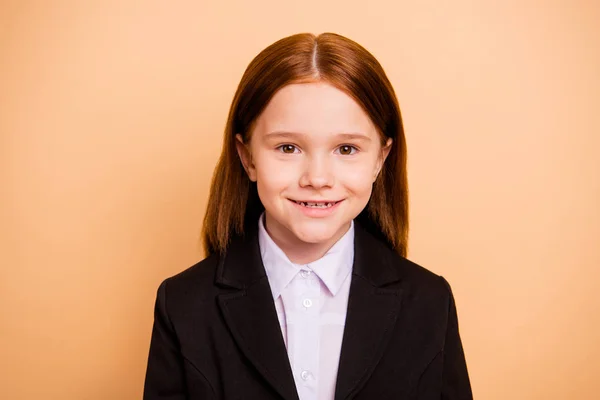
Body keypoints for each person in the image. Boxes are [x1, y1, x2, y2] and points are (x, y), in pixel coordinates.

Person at [143, 32, 473, 400]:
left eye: (346, 149)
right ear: (247, 156)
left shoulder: (429, 302)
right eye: (288, 147)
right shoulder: (184, 304)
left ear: (381, 159)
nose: (317, 179)